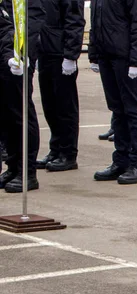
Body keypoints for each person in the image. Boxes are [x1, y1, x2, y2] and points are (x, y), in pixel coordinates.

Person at [88, 0, 137, 185]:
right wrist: (93, 52)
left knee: (132, 109)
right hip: (106, 54)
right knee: (117, 108)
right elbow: (95, 21)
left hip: (125, 55)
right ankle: (121, 160)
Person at [0, 0, 44, 193]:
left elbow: (32, 18)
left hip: (19, 54)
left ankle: (27, 171)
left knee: (20, 112)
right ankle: (13, 166)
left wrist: (21, 51)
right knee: (5, 115)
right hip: (5, 51)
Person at [36, 0, 85, 172]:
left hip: (60, 53)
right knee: (50, 105)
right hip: (45, 51)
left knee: (65, 107)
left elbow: (75, 20)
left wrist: (71, 55)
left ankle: (68, 153)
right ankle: (55, 149)